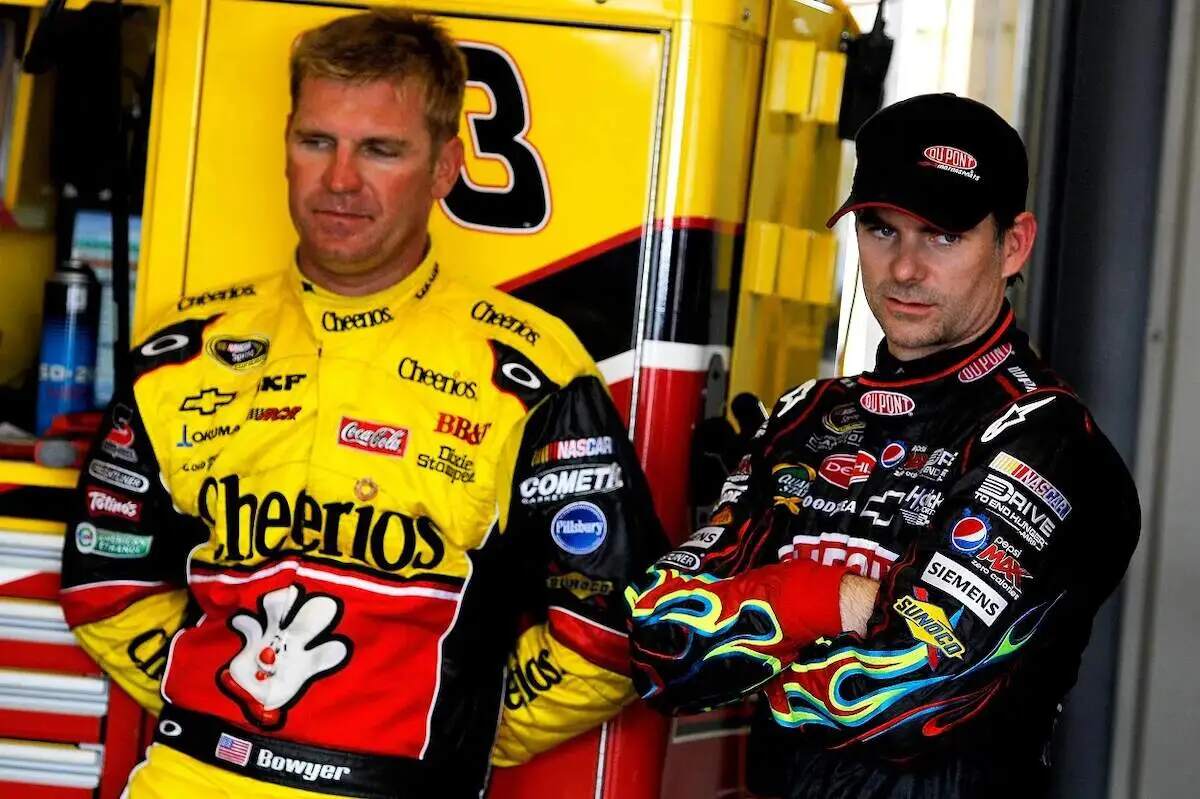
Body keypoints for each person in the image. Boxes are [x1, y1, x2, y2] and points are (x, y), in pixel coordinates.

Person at [60, 10, 664, 798]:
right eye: (317, 142)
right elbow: (106, 583)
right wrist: (227, 690)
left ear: (445, 168)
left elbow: (611, 627)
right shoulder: (183, 353)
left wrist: (462, 720)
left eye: (381, 150)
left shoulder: (530, 369)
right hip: (189, 776)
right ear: (285, 145)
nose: (340, 180)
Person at [626, 93, 1140, 799]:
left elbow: (899, 697)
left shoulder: (1049, 442)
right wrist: (839, 598)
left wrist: (760, 611)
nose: (903, 269)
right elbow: (660, 646)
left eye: (942, 236)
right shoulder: (804, 417)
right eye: (880, 229)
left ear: (1013, 243)